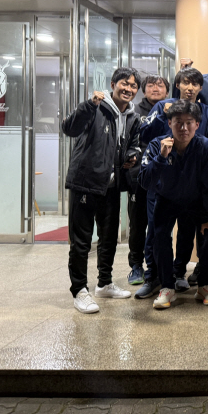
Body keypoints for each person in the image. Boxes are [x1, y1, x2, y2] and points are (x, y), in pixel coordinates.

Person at [61, 68, 142, 314]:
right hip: (85, 182)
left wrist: (132, 156)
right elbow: (69, 128)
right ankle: (79, 291)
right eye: (124, 84)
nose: (128, 89)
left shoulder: (132, 116)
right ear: (112, 84)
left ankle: (104, 283)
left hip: (112, 186)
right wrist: (88, 105)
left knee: (109, 238)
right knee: (81, 242)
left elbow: (134, 145)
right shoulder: (95, 107)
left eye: (133, 86)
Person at [137, 67, 208, 298]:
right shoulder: (158, 145)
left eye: (189, 123)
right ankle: (164, 285)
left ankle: (202, 284)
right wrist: (162, 158)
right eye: (178, 123)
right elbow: (145, 180)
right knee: (158, 234)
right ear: (170, 123)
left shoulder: (204, 146)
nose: (183, 128)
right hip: (166, 197)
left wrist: (207, 215)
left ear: (197, 124)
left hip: (195, 199)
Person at [127, 74, 170, 286]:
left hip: (161, 178)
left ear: (168, 91)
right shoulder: (134, 111)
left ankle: (156, 268)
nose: (155, 88)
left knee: (156, 225)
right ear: (144, 90)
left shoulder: (171, 108)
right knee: (137, 223)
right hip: (138, 175)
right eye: (150, 85)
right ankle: (136, 266)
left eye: (160, 85)